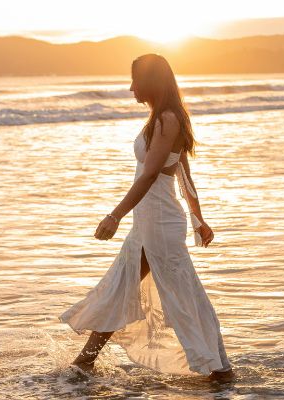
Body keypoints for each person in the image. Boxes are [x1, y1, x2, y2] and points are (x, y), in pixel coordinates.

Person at [58, 53, 235, 384]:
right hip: (149, 222)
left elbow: (151, 174)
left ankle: (218, 368)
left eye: (134, 80)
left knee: (179, 296)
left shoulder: (167, 119)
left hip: (159, 223)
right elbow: (182, 172)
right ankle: (85, 363)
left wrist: (115, 215)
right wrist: (199, 219)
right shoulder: (162, 118)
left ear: (150, 81)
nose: (130, 88)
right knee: (123, 287)